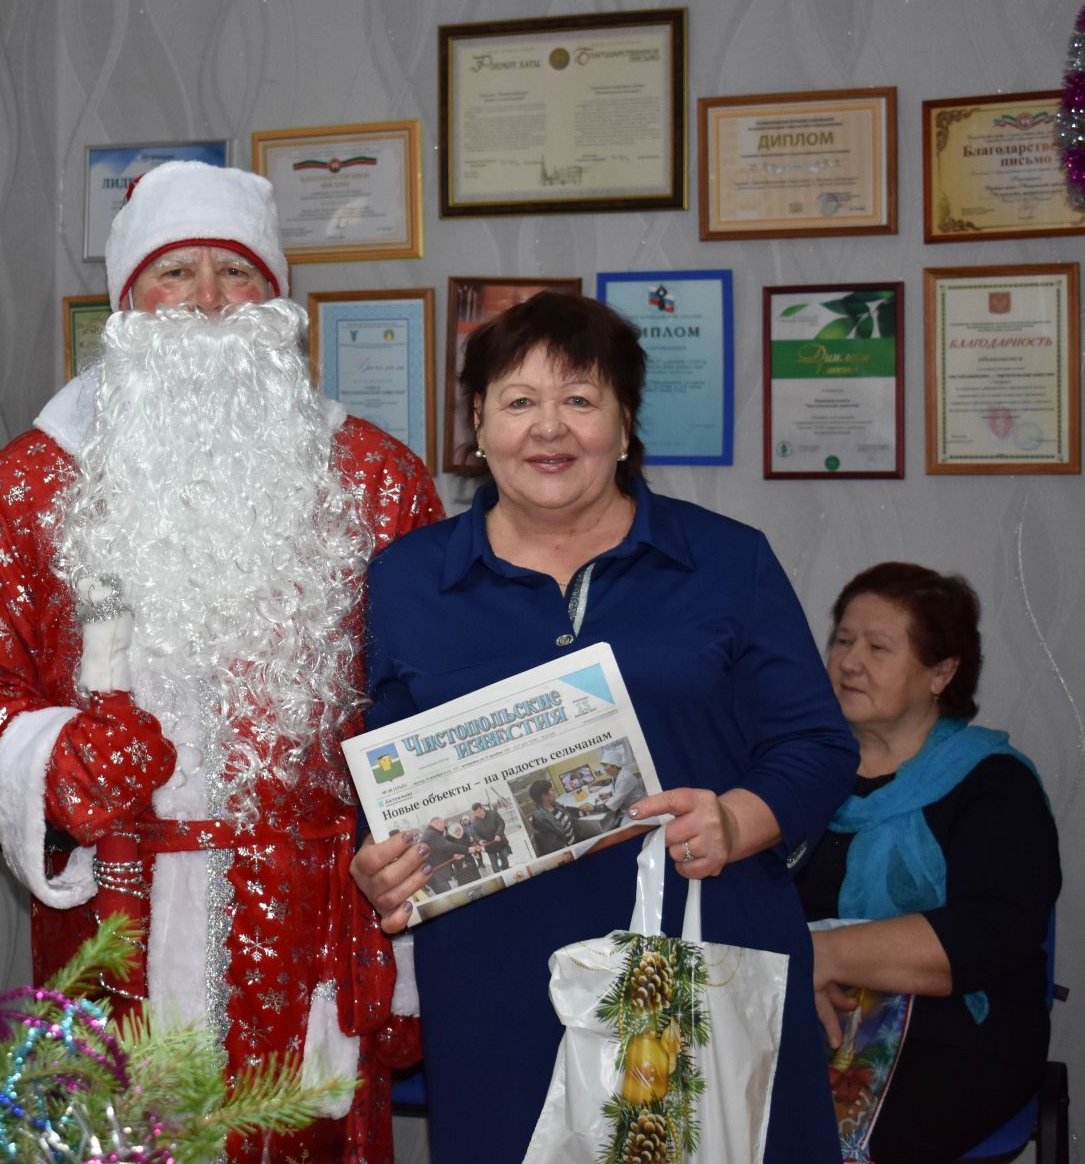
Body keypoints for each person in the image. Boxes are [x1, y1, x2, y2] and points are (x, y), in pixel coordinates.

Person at [0, 161, 443, 1162]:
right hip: (113, 925)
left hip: (309, 920)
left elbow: (432, 705)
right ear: (127, 299)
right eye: (178, 273)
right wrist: (57, 759)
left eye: (238, 274)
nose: (210, 302)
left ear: (278, 301)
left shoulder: (375, 480)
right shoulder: (29, 486)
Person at [349, 292, 859, 1163]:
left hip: (697, 943)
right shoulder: (407, 578)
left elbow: (819, 748)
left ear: (624, 426)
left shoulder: (727, 561)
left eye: (581, 400)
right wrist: (380, 860)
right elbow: (387, 767)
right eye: (518, 402)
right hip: (498, 980)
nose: (549, 428)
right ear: (478, 425)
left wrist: (738, 819)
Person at [798, 562, 1060, 1163]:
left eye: (878, 648)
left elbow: (988, 935)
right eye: (842, 640)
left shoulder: (993, 785)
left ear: (942, 671)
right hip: (798, 1011)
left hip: (949, 1036)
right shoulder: (800, 771)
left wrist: (822, 954)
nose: (848, 663)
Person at [525, 776, 577, 857]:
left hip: (575, 841)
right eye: (551, 790)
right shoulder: (540, 819)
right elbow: (554, 845)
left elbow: (570, 817)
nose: (554, 791)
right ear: (544, 796)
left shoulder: (556, 805)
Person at [468, 801, 511, 872]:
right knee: (494, 862)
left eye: (479, 811)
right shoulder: (474, 823)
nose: (478, 814)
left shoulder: (493, 813)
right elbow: (475, 835)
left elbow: (501, 823)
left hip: (499, 841)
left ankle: (506, 868)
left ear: (482, 808)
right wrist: (479, 840)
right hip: (489, 845)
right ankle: (497, 872)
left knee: (504, 858)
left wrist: (498, 834)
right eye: (476, 813)